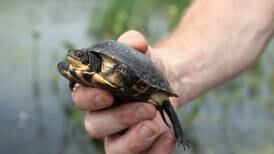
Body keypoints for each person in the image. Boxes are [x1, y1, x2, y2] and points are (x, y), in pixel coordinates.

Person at [71, 0, 274, 153]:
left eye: (79, 56)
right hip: (127, 94)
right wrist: (172, 72)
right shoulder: (87, 65)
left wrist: (150, 76)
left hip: (142, 85)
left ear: (91, 59)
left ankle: (179, 134)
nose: (74, 57)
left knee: (164, 103)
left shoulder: (110, 63)